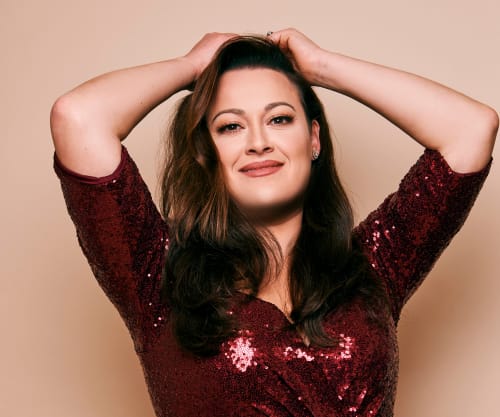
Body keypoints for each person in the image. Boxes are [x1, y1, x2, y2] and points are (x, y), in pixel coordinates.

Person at [51, 28, 497, 417]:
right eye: (230, 127)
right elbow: (79, 117)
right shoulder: (160, 281)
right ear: (206, 153)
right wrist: (191, 67)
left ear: (313, 138)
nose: (259, 142)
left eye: (280, 119)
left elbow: (471, 129)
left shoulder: (374, 267)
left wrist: (320, 67)